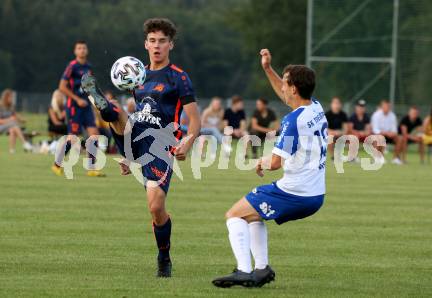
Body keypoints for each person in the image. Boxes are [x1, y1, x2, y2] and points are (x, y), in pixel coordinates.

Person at [81, 18, 201, 277]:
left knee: (156, 208)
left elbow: (195, 120)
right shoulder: (138, 75)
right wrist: (128, 157)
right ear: (146, 44)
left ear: (171, 44)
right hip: (137, 136)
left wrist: (188, 141)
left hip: (162, 146)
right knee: (115, 111)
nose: (157, 46)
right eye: (153, 41)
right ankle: (103, 104)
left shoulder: (178, 78)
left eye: (162, 41)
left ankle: (164, 256)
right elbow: (141, 115)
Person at [212, 49, 327, 288]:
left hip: (295, 193)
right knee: (252, 214)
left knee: (234, 215)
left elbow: (275, 163)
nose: (282, 88)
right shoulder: (315, 107)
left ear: (294, 88)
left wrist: (262, 161)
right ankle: (262, 269)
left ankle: (244, 270)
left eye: (286, 83)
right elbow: (287, 98)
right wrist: (267, 69)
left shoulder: (292, 121)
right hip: (315, 193)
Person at [52, 40, 105, 177]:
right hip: (74, 106)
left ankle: (92, 168)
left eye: (84, 48)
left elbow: (90, 87)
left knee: (94, 134)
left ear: (87, 51)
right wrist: (77, 99)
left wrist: (96, 101)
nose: (82, 50)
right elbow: (62, 87)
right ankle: (56, 165)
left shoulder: (88, 67)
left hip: (86, 107)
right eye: (79, 48)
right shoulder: (72, 66)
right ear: (75, 51)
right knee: (73, 138)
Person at [0, 89, 33, 153]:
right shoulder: (0, 106)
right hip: (1, 126)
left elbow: (15, 116)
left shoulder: (11, 106)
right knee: (13, 124)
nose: (12, 99)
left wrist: (22, 120)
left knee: (12, 129)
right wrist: (10, 119)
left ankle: (12, 150)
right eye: (10, 97)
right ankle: (24, 143)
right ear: (6, 97)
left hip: (8, 126)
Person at [371, 100, 402, 164]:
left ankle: (395, 158)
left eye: (388, 106)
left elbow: (394, 130)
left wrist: (392, 133)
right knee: (379, 137)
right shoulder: (376, 115)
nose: (386, 108)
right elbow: (375, 129)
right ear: (382, 107)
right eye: (385, 106)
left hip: (389, 136)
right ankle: (378, 158)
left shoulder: (392, 116)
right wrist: (385, 133)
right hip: (379, 135)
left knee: (399, 139)